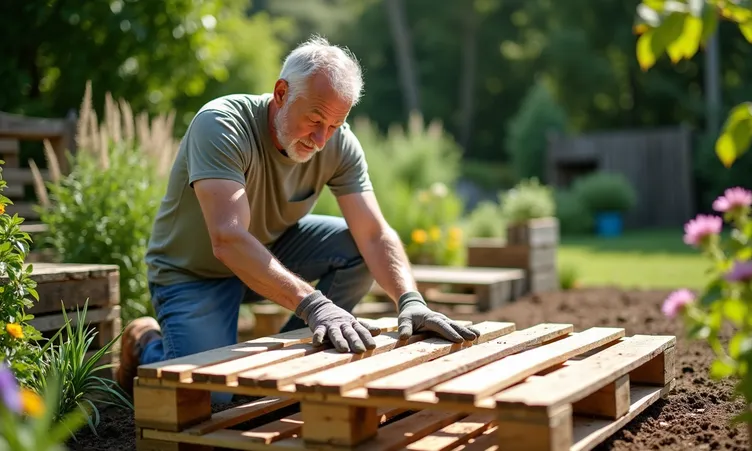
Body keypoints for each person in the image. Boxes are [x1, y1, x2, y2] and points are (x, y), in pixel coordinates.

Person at [115, 35, 481, 401]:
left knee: (354, 245)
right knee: (209, 399)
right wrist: (316, 305)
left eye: (334, 126)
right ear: (281, 93)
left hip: (272, 254)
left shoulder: (339, 144)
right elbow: (227, 238)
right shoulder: (222, 124)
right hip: (193, 274)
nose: (322, 140)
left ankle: (279, 369)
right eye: (315, 119)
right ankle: (146, 341)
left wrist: (410, 299)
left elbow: (372, 233)